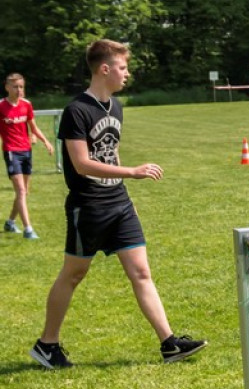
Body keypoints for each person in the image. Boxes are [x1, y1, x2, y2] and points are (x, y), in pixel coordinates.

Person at [29, 39, 207, 369]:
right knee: (73, 274)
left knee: (141, 272)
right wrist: (133, 172)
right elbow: (82, 163)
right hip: (89, 207)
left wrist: (126, 194)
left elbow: (112, 152)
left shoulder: (117, 106)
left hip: (119, 203)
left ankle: (169, 343)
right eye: (123, 68)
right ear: (104, 69)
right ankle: (47, 345)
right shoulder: (76, 110)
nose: (127, 73)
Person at [1, 73, 54, 240]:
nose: (19, 90)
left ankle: (10, 222)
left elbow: (33, 127)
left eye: (21, 86)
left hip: (26, 150)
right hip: (11, 151)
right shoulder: (1, 106)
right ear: (7, 87)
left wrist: (45, 141)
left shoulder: (26, 105)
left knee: (24, 192)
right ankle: (28, 230)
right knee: (21, 191)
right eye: (15, 87)